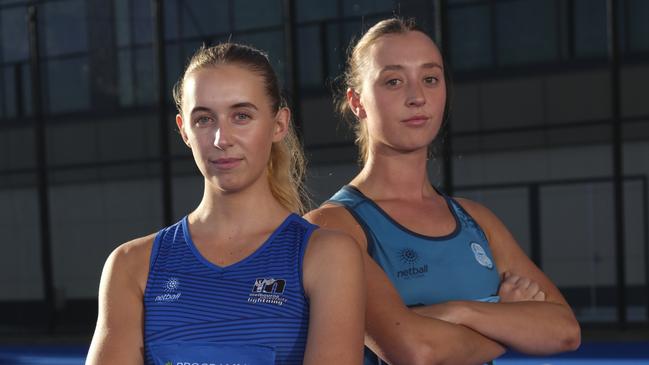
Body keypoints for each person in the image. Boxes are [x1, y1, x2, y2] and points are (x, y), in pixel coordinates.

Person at [305, 17, 581, 365]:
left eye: (430, 79)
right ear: (357, 101)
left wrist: (461, 312)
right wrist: (506, 318)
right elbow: (416, 351)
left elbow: (565, 330)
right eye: (393, 81)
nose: (417, 97)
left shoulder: (476, 220)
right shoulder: (332, 226)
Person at [86, 43, 365, 365]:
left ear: (279, 124)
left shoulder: (325, 255)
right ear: (184, 132)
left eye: (241, 116)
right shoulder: (133, 264)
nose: (222, 139)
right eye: (204, 119)